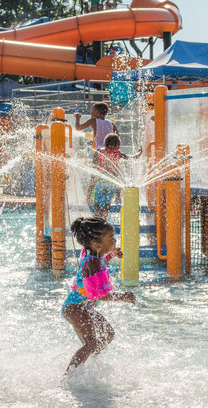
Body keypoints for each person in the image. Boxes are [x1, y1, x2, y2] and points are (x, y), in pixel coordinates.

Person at [62, 216, 136, 375]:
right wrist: (123, 297)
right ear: (96, 244)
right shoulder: (92, 263)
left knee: (108, 334)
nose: (115, 241)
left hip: (82, 307)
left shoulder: (91, 252)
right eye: (111, 238)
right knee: (90, 342)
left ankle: (87, 363)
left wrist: (111, 255)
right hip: (74, 308)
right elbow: (99, 295)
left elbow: (102, 258)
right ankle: (69, 376)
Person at [86, 133, 141, 219]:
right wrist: (139, 153)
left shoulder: (99, 151)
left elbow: (94, 168)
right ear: (117, 144)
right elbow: (132, 158)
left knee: (95, 203)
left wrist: (89, 192)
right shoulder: (118, 153)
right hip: (111, 182)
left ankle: (100, 215)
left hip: (99, 182)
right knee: (108, 203)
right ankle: (111, 208)